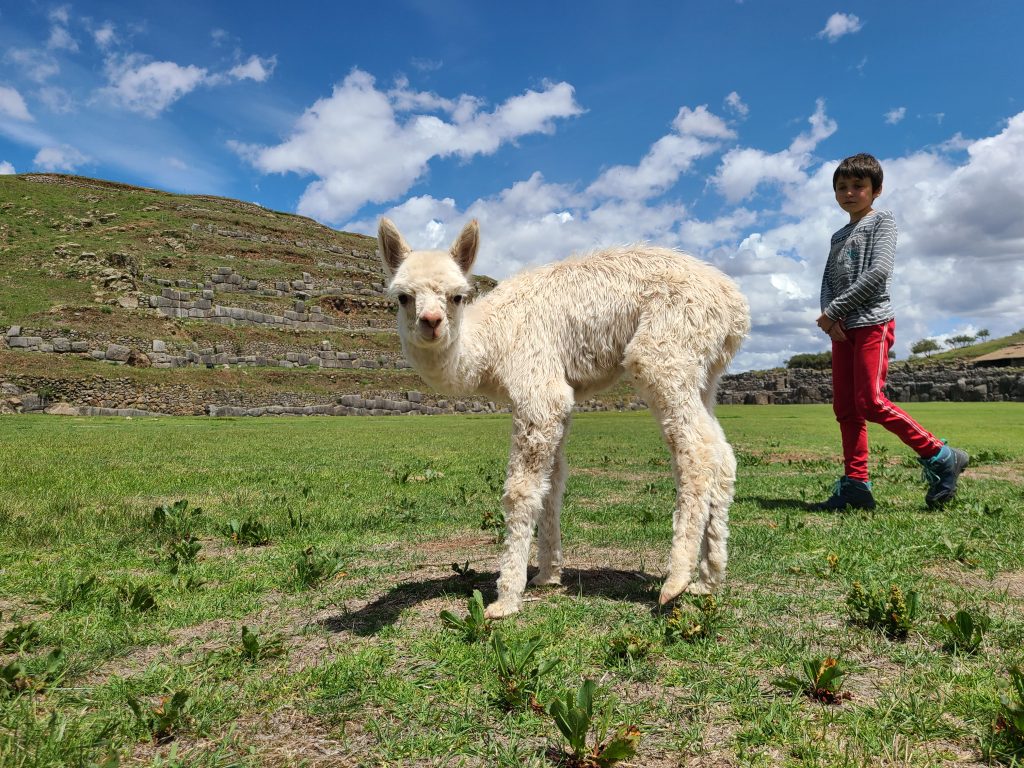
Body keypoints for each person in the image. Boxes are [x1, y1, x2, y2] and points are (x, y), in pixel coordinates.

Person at [813, 153, 968, 511]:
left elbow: (878, 273)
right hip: (843, 330)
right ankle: (856, 485)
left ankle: (941, 456)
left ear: (876, 190)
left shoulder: (883, 222)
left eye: (857, 186)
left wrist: (835, 311)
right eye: (841, 188)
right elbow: (827, 281)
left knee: (870, 401)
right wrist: (831, 317)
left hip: (872, 322)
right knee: (846, 407)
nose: (849, 193)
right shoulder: (838, 235)